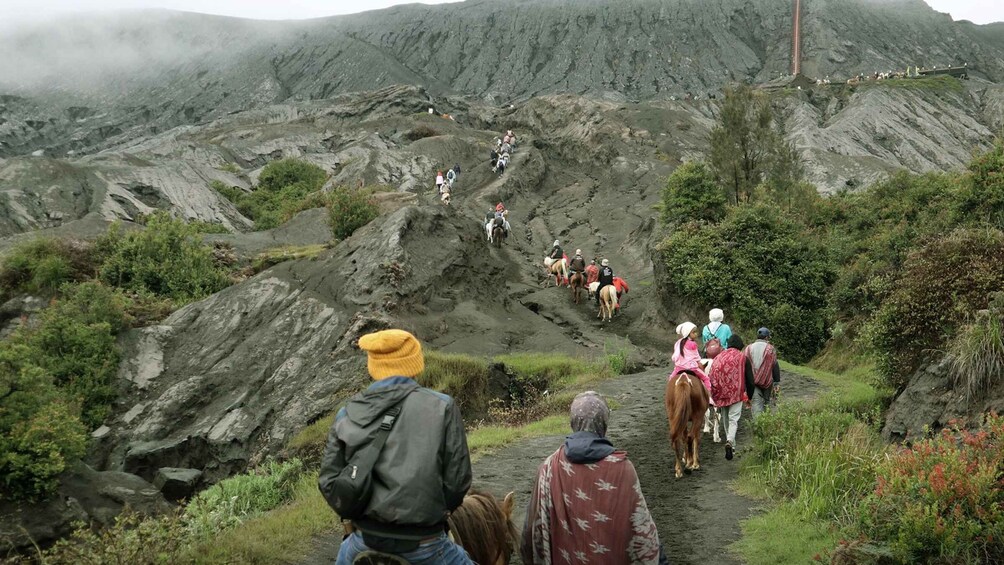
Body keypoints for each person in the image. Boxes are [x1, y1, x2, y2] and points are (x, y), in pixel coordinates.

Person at [319, 330, 473, 565]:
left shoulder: (347, 412)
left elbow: (329, 481)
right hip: (426, 544)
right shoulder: (442, 407)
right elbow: (458, 481)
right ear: (414, 364)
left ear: (374, 366)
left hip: (363, 541)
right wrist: (435, 512)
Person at [521, 392, 665, 565]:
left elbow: (531, 531)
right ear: (603, 424)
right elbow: (641, 529)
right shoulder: (623, 469)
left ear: (573, 422)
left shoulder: (548, 467)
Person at [708, 334, 754, 460]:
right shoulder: (743, 358)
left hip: (721, 392)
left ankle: (731, 443)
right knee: (734, 418)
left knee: (725, 417)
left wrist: (714, 393)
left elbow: (712, 374)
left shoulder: (719, 357)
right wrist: (749, 395)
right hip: (736, 393)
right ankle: (730, 441)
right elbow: (750, 380)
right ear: (740, 345)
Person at [745, 327, 780, 419]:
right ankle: (766, 424)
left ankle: (758, 426)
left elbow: (744, 366)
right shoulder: (771, 349)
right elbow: (775, 366)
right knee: (766, 403)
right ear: (767, 338)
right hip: (767, 382)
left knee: (756, 403)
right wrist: (777, 382)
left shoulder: (748, 348)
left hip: (752, 383)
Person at [669, 322, 712, 397]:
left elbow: (675, 356)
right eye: (693, 332)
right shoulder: (693, 344)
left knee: (671, 380)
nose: (696, 334)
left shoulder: (678, 343)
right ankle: (708, 395)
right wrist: (699, 363)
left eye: (696, 332)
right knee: (706, 378)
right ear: (688, 333)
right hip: (692, 368)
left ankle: (671, 395)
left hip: (679, 368)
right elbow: (697, 357)